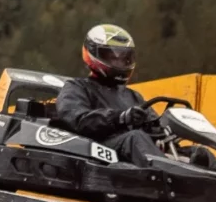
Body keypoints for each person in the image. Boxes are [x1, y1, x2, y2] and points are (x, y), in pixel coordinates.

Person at [52, 23, 160, 162]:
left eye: (124, 58)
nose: (119, 63)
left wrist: (162, 129)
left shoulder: (133, 96)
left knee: (193, 152)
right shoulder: (76, 87)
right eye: (113, 57)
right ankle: (167, 178)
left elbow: (155, 127)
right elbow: (78, 120)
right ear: (93, 54)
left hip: (132, 153)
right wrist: (120, 118)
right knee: (135, 137)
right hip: (96, 150)